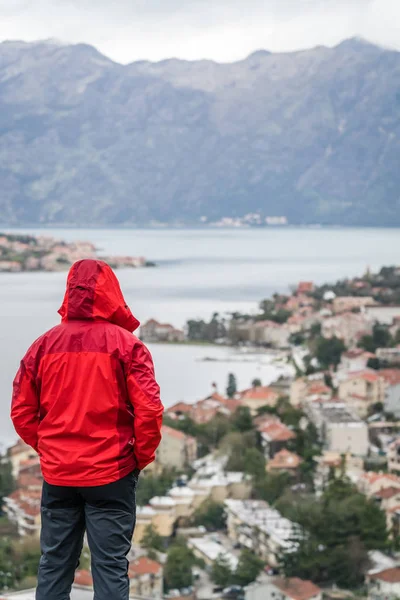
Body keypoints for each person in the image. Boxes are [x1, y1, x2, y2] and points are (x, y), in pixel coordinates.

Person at [11, 259, 164, 600]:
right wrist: (138, 457)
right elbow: (149, 409)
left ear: (69, 292)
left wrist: (50, 450)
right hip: (112, 473)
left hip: (59, 475)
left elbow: (21, 411)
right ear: (112, 293)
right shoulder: (127, 346)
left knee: (54, 564)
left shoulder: (42, 346)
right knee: (110, 567)